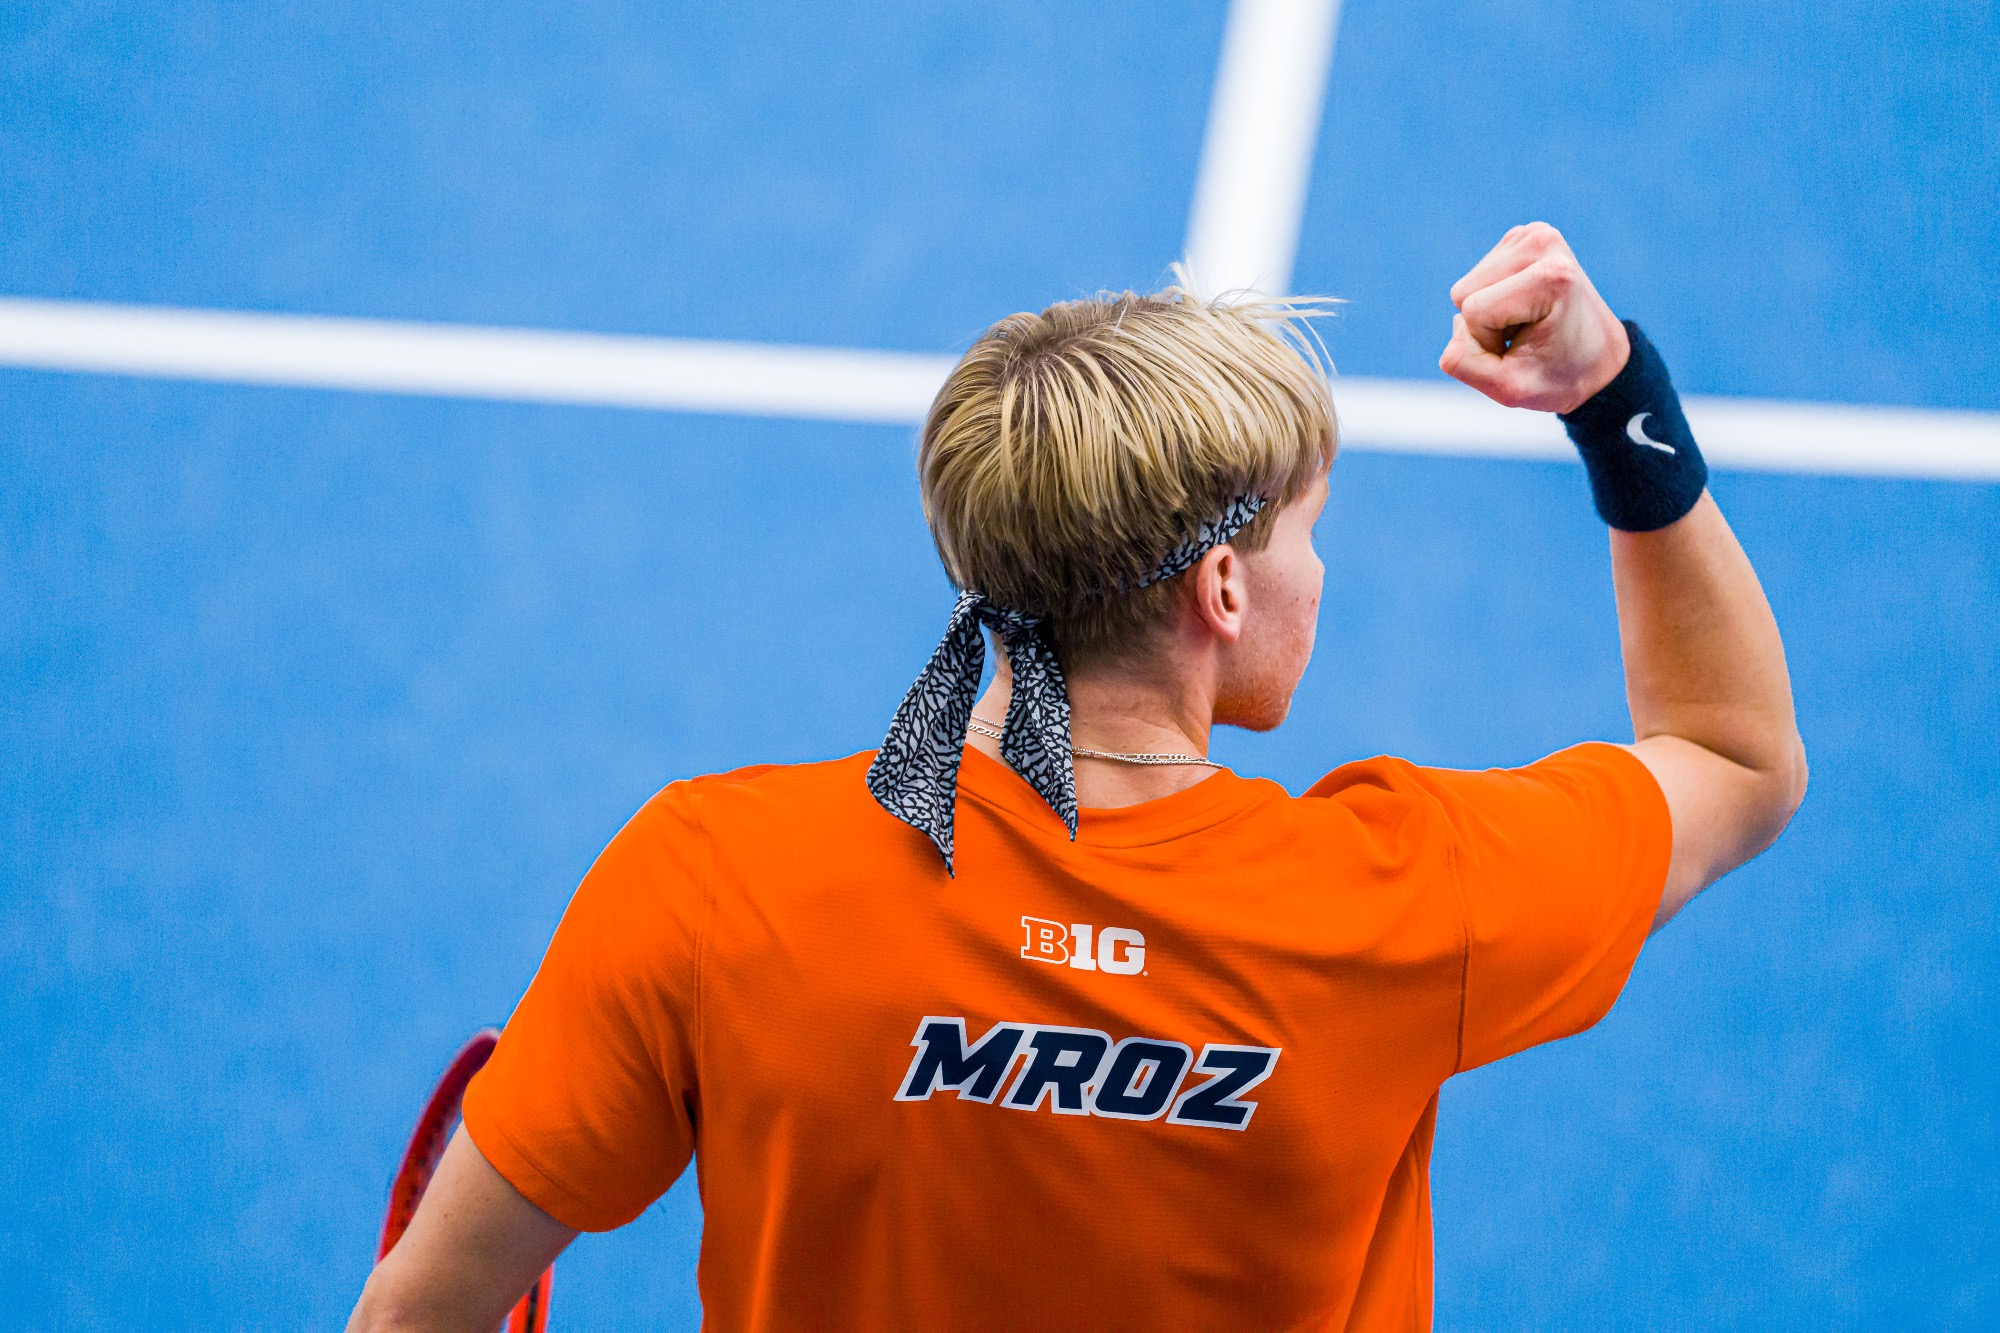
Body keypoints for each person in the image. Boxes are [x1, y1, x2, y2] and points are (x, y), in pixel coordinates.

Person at [347, 223, 1806, 1331]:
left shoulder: (713, 880)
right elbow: (1734, 752)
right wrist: (1612, 396)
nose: (1320, 574)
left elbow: (417, 1316)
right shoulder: (1411, 899)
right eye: (1308, 534)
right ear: (1221, 589)